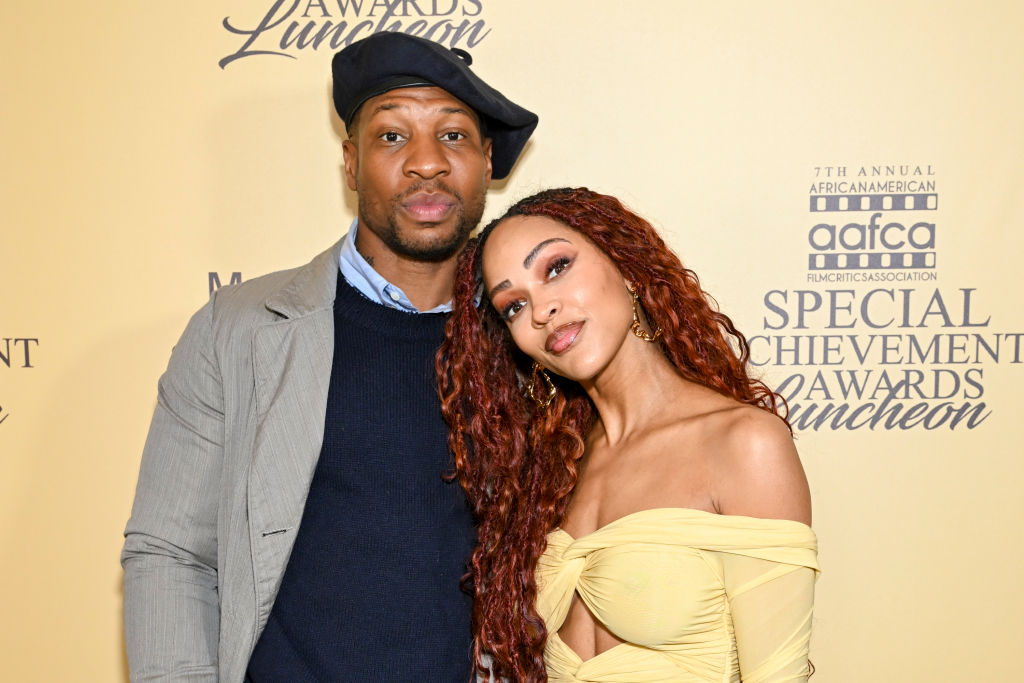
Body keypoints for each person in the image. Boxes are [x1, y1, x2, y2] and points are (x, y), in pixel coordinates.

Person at [121, 33, 537, 682]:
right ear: (350, 162)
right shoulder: (240, 331)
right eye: (392, 136)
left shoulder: (532, 343)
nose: (426, 162)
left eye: (453, 136)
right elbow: (169, 552)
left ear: (487, 160)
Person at [438, 187, 820, 682]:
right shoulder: (549, 474)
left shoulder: (745, 445)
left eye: (556, 268)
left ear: (625, 265)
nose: (541, 310)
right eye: (514, 305)